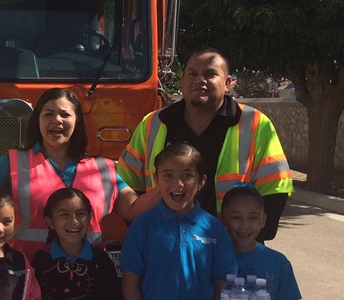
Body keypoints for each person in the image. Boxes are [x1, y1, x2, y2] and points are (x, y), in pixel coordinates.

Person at [0, 87, 158, 259]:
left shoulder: (104, 168)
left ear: (78, 122)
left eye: (65, 114)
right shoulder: (14, 162)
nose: (56, 120)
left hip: (87, 279)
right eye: (48, 114)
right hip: (30, 280)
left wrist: (169, 186)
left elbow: (133, 209)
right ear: (37, 121)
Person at [117, 48, 293, 241]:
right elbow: (125, 184)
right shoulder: (153, 123)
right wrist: (145, 231)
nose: (199, 80)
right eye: (192, 73)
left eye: (210, 74)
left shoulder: (256, 123)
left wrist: (248, 242)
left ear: (227, 83)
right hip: (166, 248)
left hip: (233, 251)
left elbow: (275, 190)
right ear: (182, 81)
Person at [121, 143, 237, 300]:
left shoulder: (215, 228)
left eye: (187, 175)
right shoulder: (142, 226)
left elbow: (223, 286)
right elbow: (129, 284)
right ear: (156, 180)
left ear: (201, 181)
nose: (178, 184)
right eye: (168, 175)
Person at [31, 187, 124, 300]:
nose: (74, 221)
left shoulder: (101, 260)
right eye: (64, 215)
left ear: (89, 217)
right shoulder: (41, 260)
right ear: (50, 221)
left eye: (80, 214)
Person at [220, 185, 300, 300]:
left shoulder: (278, 262)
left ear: (263, 220)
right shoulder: (213, 257)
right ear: (222, 218)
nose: (245, 225)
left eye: (253, 218)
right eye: (236, 217)